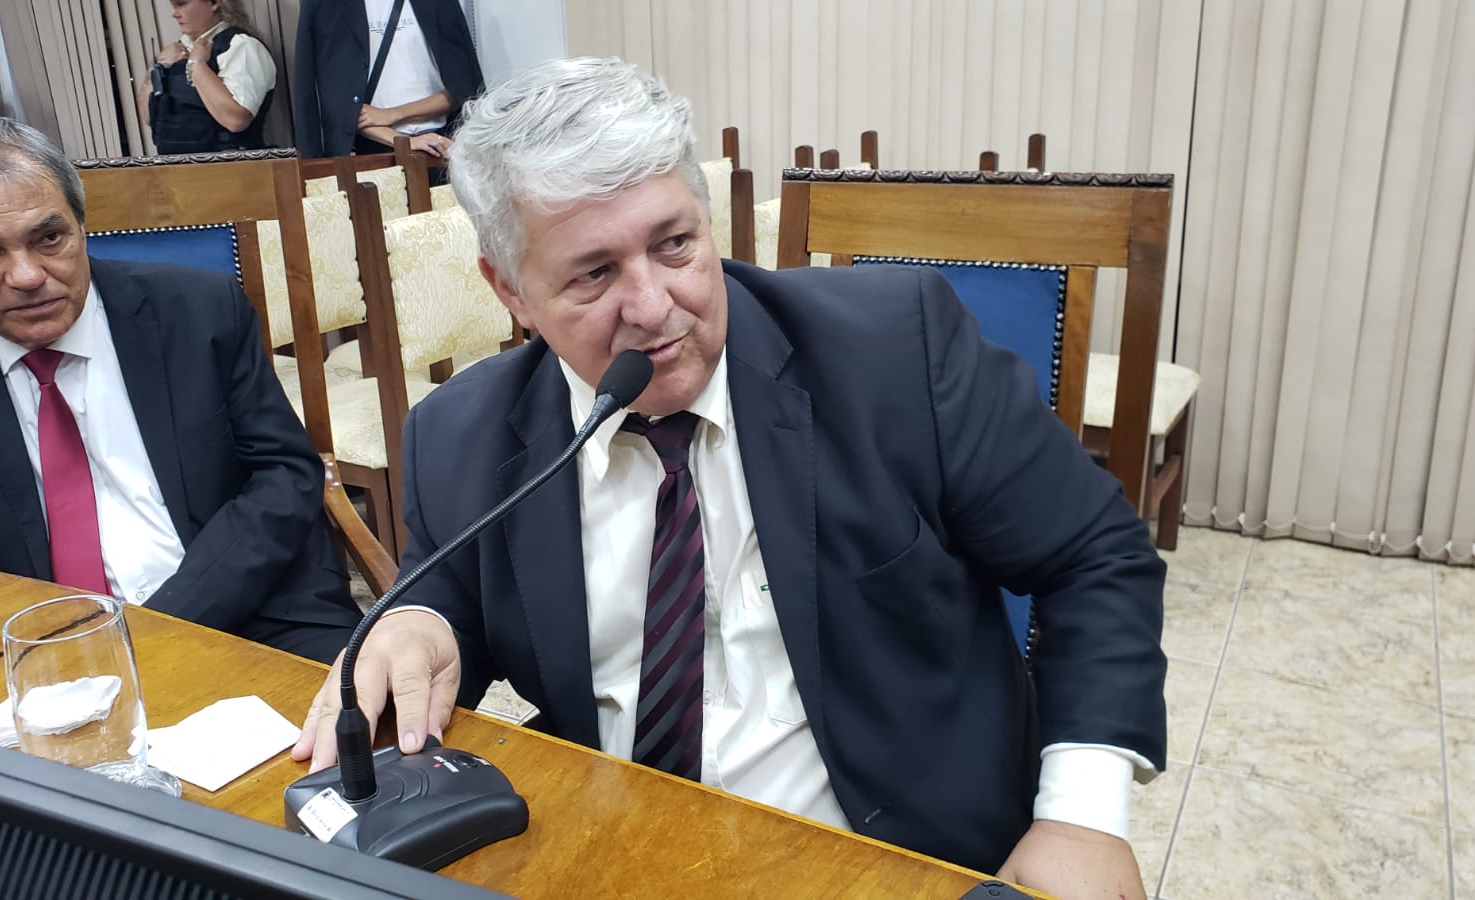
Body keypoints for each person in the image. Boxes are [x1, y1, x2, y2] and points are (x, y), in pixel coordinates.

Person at [294, 58, 1167, 897]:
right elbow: (450, 590)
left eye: (675, 244)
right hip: (615, 855)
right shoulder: (462, 434)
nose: (653, 307)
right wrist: (419, 621)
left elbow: (1094, 556)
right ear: (510, 290)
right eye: (594, 274)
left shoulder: (896, 350)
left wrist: (1083, 817)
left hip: (894, 858)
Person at [0, 116, 361, 663]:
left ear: (81, 225)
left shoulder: (198, 310)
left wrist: (153, 629)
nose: (27, 275)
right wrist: (56, 642)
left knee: (369, 715)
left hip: (252, 610)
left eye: (49, 238)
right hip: (38, 641)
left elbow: (285, 473)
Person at [292, 0, 483, 162]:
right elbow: (334, 103)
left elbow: (463, 89)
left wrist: (393, 114)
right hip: (369, 153)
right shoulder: (326, 5)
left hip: (440, 146)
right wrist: (402, 141)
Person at [138, 0, 277, 154]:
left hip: (232, 165)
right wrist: (158, 66)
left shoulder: (241, 46)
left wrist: (198, 65)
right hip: (175, 165)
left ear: (214, 3)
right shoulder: (176, 52)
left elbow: (236, 120)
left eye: (182, 4)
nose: (175, 14)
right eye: (173, 6)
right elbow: (148, 117)